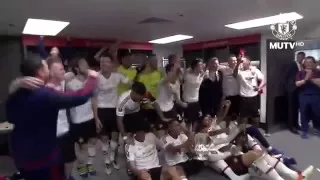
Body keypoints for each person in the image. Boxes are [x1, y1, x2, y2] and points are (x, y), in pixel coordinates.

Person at [6, 55, 97, 180]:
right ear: (40, 72)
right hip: (42, 158)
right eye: (46, 68)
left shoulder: (15, 94)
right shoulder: (46, 95)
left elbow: (11, 118)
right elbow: (81, 96)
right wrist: (92, 77)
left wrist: (15, 83)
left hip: (20, 156)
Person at [92, 53, 131, 174]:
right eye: (102, 62)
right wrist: (96, 116)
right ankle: (106, 162)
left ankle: (112, 159)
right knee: (104, 139)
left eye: (106, 62)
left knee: (114, 139)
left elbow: (130, 83)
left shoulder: (117, 75)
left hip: (114, 109)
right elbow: (93, 98)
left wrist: (118, 70)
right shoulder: (95, 77)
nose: (104, 64)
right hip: (101, 110)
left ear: (111, 64)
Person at [66, 57, 99, 177]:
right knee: (83, 146)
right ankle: (81, 166)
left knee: (93, 142)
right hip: (78, 121)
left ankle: (89, 163)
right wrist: (91, 78)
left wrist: (96, 118)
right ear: (76, 68)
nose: (87, 66)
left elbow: (94, 100)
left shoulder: (91, 81)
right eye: (83, 64)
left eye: (87, 63)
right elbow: (83, 94)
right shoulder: (71, 84)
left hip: (90, 117)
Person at [135, 54, 166, 136]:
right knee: (148, 132)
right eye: (155, 61)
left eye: (157, 61)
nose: (156, 63)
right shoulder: (140, 76)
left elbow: (167, 85)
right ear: (149, 62)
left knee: (160, 131)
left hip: (159, 107)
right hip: (145, 108)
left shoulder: (159, 73)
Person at [233, 55, 266, 127]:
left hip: (253, 97)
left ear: (248, 62)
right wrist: (238, 63)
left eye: (242, 61)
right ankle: (243, 134)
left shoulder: (255, 71)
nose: (241, 63)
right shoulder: (239, 72)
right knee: (243, 118)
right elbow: (234, 74)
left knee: (255, 117)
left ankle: (255, 132)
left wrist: (259, 87)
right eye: (241, 62)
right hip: (243, 98)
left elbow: (263, 80)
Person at [295, 56, 320, 139]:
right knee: (304, 113)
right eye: (307, 62)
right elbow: (297, 84)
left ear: (314, 63)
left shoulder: (318, 72)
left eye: (310, 62)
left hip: (316, 95)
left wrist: (312, 78)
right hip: (303, 96)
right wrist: (306, 78)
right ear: (304, 64)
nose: (308, 64)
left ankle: (318, 128)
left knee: (317, 113)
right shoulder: (300, 73)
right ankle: (304, 130)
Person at [183, 59, 206, 131]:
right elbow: (196, 83)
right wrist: (202, 75)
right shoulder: (188, 76)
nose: (202, 67)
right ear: (195, 67)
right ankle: (187, 137)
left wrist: (202, 74)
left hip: (196, 101)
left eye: (202, 65)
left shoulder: (200, 75)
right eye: (200, 65)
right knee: (188, 122)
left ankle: (194, 135)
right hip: (188, 102)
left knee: (197, 121)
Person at [285, 52, 305, 134]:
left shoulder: (302, 66)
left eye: (302, 57)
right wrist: (288, 87)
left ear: (304, 57)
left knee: (296, 108)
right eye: (299, 57)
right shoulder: (292, 64)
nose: (300, 58)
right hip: (291, 89)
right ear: (297, 56)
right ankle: (291, 126)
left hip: (299, 89)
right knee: (291, 108)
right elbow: (286, 76)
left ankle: (296, 124)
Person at [220, 55, 240, 122]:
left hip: (237, 95)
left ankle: (236, 131)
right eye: (233, 60)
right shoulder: (223, 69)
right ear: (228, 62)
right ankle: (226, 130)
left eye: (235, 60)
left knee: (237, 114)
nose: (234, 62)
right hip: (227, 96)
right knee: (227, 115)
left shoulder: (240, 70)